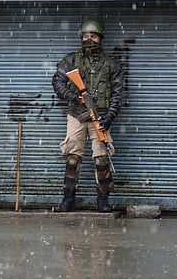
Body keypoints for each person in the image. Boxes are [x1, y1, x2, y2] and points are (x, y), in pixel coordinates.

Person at [51, 18, 124, 213]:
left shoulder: (111, 64)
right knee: (73, 156)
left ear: (100, 38)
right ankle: (67, 199)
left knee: (101, 157)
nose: (88, 39)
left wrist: (110, 116)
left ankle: (103, 200)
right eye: (85, 36)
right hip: (77, 114)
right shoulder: (71, 60)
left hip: (100, 116)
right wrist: (71, 96)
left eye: (92, 36)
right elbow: (57, 81)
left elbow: (118, 93)